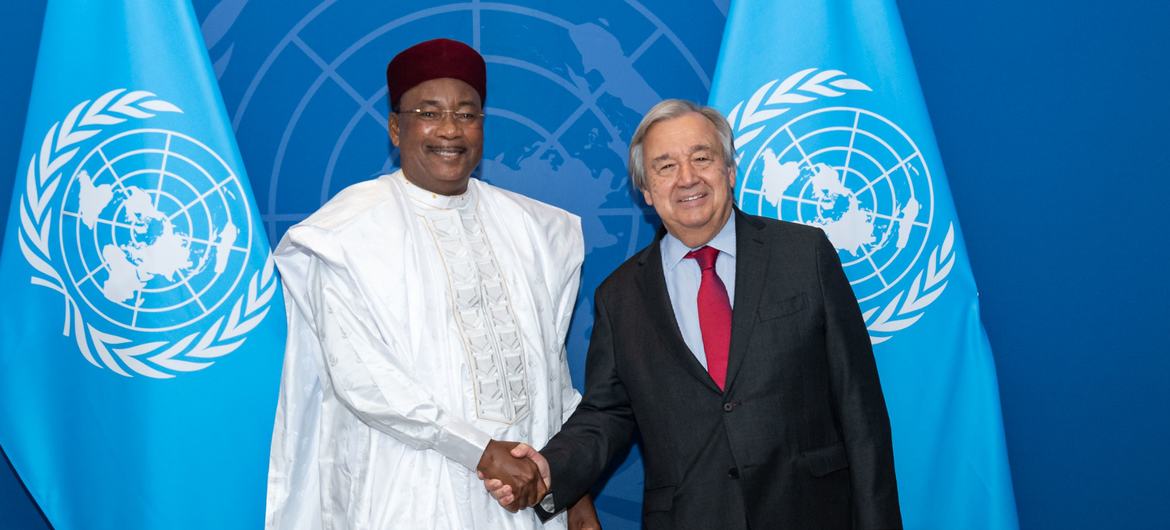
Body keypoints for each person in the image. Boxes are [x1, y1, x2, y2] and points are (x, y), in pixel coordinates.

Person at [485, 99, 902, 529]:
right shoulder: (620, 296)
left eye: (701, 158)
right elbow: (607, 415)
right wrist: (550, 469)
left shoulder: (804, 255)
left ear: (729, 170)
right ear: (646, 191)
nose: (687, 178)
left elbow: (860, 410)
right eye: (665, 167)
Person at [264, 38, 599, 530]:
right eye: (430, 112)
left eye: (467, 114)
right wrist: (479, 451)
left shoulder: (533, 231)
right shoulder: (347, 233)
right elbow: (363, 379)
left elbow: (550, 373)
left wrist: (574, 488)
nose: (450, 130)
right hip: (407, 488)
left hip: (524, 496)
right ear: (396, 128)